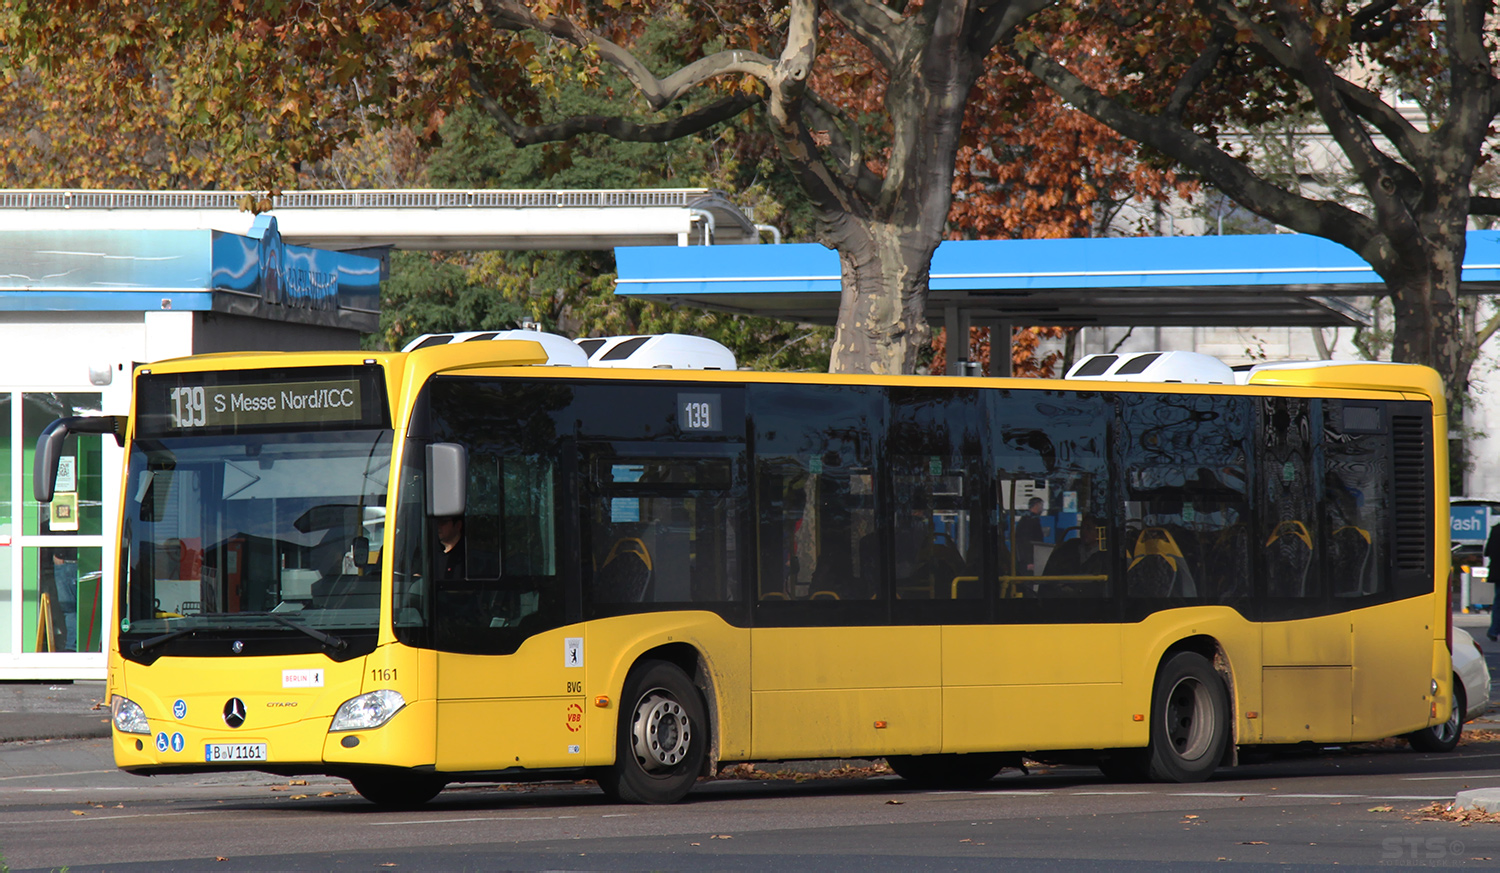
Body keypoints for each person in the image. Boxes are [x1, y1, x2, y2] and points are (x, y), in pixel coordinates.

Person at [1014, 496, 1046, 573]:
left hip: (1032, 556)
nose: (1042, 509)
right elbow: (1025, 541)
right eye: (1041, 505)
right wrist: (1029, 561)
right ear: (1036, 505)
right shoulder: (1029, 520)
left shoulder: (1028, 518)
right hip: (1028, 559)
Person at [435, 516, 466, 582]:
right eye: (437, 522)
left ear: (458, 525)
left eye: (443, 522)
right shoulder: (432, 556)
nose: (438, 526)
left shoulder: (466, 557)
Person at [1485, 522, 1500, 641]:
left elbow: (1488, 551)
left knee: (1498, 603)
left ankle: (1494, 630)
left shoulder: (1496, 529)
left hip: (1497, 573)